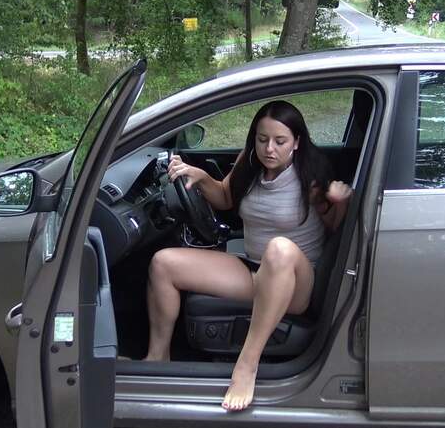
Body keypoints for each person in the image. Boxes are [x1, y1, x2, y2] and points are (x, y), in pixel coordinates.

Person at [144, 100, 353, 411]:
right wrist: (200, 176)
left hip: (296, 281)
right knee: (163, 264)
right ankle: (157, 358)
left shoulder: (310, 175)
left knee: (279, 248)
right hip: (254, 270)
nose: (269, 149)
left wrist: (340, 202)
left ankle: (247, 365)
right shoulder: (250, 164)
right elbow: (225, 197)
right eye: (262, 139)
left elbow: (336, 230)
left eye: (280, 141)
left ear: (296, 142)